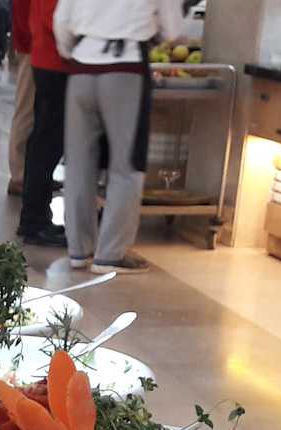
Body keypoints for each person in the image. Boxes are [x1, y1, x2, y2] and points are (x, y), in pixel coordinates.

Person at [54, 0, 185, 274]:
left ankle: (79, 249)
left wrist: (74, 48)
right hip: (126, 68)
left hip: (81, 67)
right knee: (126, 165)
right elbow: (172, 28)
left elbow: (62, 20)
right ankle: (110, 254)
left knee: (78, 163)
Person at [10, 0, 67, 247]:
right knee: (44, 138)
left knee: (44, 138)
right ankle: (35, 219)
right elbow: (50, 16)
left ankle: (35, 215)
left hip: (45, 51)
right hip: (51, 55)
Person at [5, 47, 34, 196]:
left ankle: (34, 172)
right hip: (31, 46)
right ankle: (19, 175)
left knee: (36, 113)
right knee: (26, 108)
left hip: (38, 47)